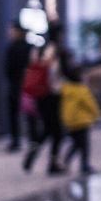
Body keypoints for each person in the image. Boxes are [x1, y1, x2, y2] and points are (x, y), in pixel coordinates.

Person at [23, 24, 76, 175]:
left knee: (47, 127)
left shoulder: (37, 50)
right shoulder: (58, 51)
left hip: (39, 94)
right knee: (57, 130)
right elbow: (66, 72)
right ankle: (53, 163)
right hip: (53, 94)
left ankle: (34, 150)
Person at [60, 66, 100, 174]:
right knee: (84, 145)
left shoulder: (65, 89)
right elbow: (90, 104)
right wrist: (96, 114)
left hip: (70, 121)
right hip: (82, 121)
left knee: (77, 143)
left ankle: (66, 160)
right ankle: (84, 165)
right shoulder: (81, 90)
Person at [3, 21, 31, 151]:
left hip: (15, 84)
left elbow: (7, 68)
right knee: (30, 112)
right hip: (28, 85)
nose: (10, 33)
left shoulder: (12, 47)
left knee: (14, 113)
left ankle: (16, 140)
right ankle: (33, 138)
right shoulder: (29, 47)